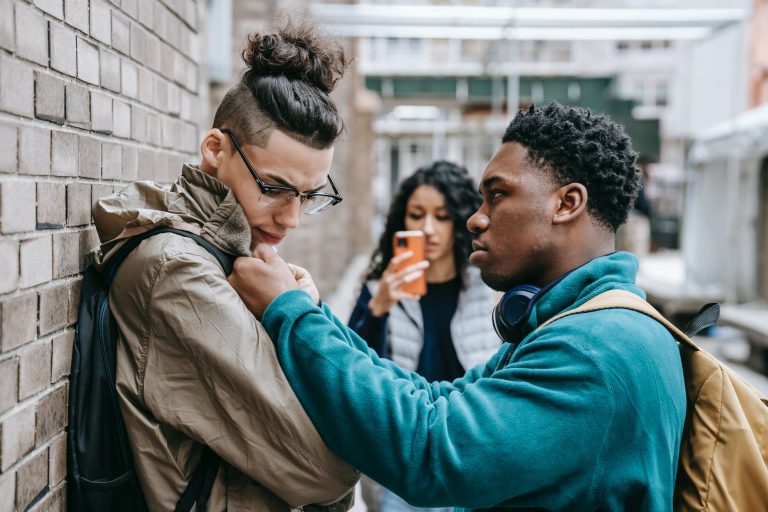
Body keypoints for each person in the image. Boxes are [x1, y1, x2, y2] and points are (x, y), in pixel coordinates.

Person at [228, 102, 687, 511]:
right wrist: (313, 312)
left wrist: (288, 312)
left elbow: (431, 448)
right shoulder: (577, 321)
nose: (476, 217)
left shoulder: (594, 349)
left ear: (567, 203)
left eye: (499, 194)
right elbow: (437, 399)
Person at [90, 23, 358, 511]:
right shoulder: (176, 270)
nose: (292, 218)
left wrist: (301, 309)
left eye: (309, 195)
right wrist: (299, 316)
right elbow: (329, 471)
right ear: (216, 149)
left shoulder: (234, 256)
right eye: (274, 187)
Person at [349, 161, 499, 512]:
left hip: (470, 453)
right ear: (403, 219)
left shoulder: (490, 287)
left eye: (442, 217)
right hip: (405, 457)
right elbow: (352, 368)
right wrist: (378, 306)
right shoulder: (379, 288)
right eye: (417, 215)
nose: (429, 228)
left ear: (460, 220)